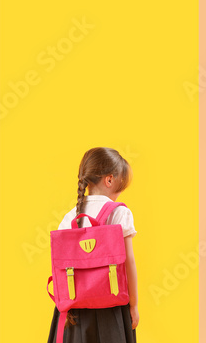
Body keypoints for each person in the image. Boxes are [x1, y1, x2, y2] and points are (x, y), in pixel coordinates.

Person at [48, 147, 139, 343]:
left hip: (74, 310)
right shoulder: (119, 213)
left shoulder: (70, 216)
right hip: (112, 307)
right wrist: (134, 306)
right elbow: (129, 262)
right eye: (122, 185)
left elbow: (60, 269)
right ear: (110, 180)